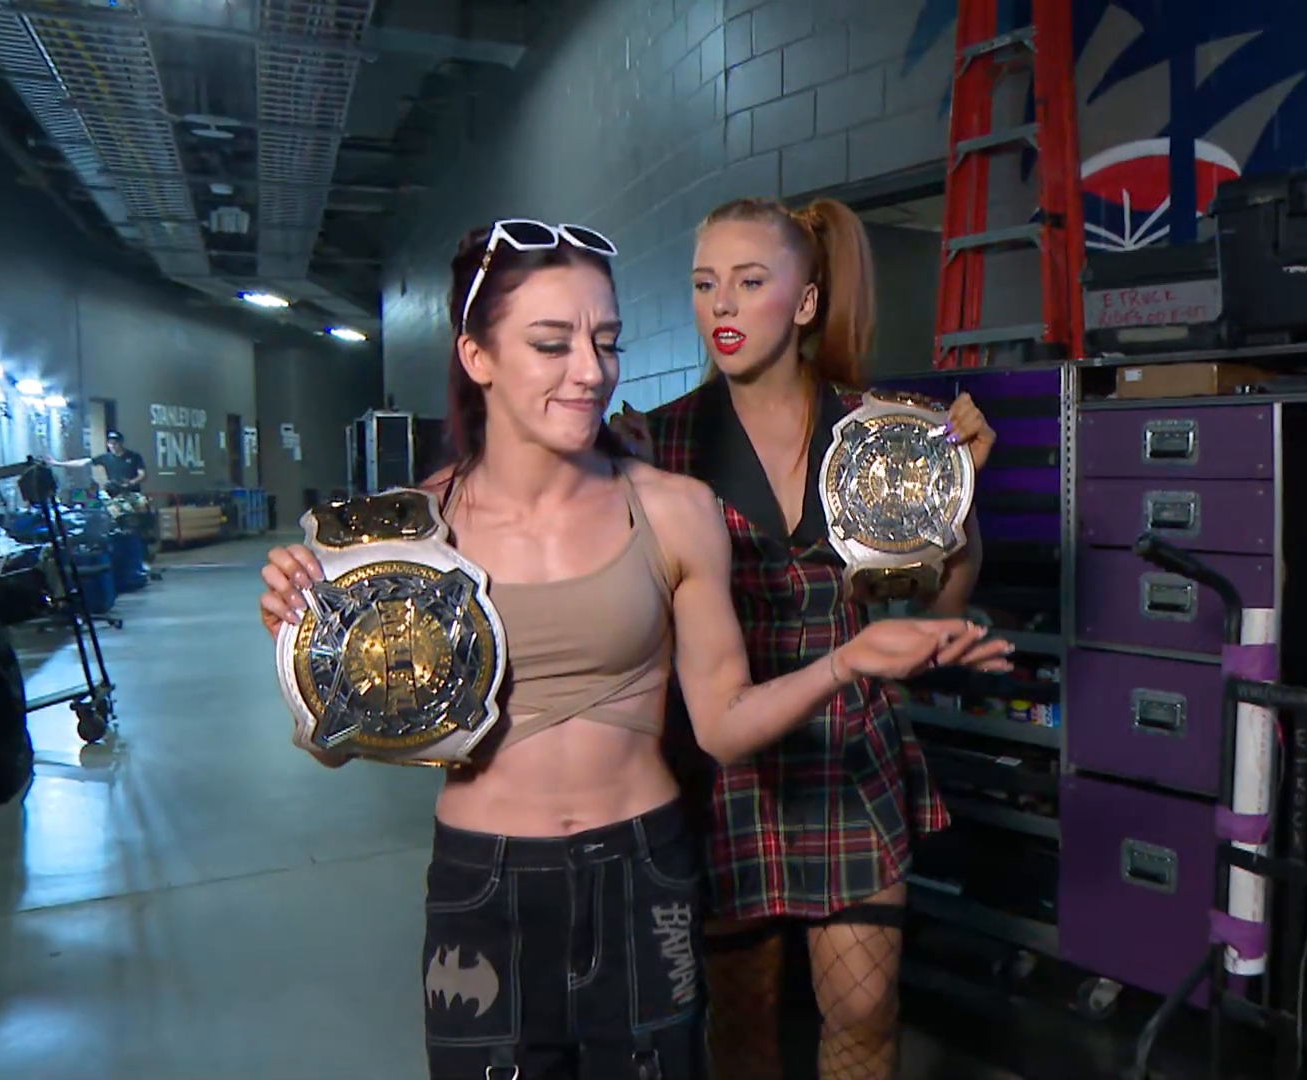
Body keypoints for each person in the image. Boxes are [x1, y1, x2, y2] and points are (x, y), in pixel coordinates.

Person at [254, 219, 1012, 1080]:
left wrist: (852, 658)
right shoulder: (407, 537)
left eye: (606, 342)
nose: (591, 370)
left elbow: (723, 721)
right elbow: (334, 746)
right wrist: (306, 648)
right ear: (477, 355)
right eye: (552, 343)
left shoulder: (676, 505)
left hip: (646, 869)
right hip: (485, 882)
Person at [610, 196, 996, 1080]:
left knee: (864, 1007)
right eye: (706, 284)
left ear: (807, 302)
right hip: (722, 761)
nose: (722, 305)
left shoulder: (880, 433)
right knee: (744, 1025)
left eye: (750, 282)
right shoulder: (658, 445)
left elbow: (935, 610)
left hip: (847, 746)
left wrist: (956, 510)